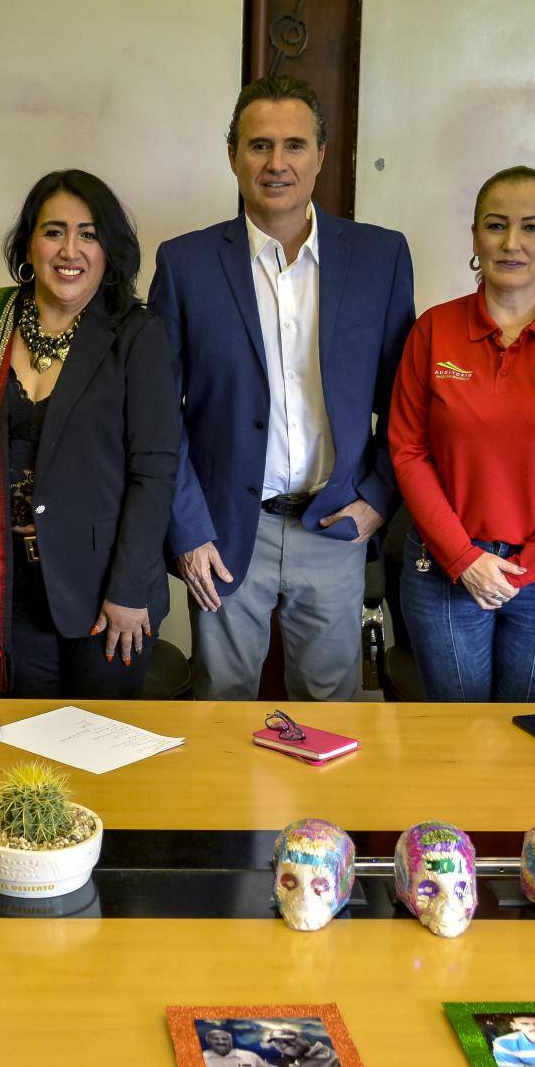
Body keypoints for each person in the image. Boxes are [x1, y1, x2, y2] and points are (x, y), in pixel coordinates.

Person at [151, 74, 415, 701]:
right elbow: (162, 415)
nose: (277, 163)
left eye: (294, 145)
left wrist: (377, 501)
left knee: (333, 714)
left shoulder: (380, 258)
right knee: (219, 702)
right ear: (233, 156)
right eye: (259, 145)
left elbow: (406, 404)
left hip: (335, 523)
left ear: (321, 155)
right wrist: (188, 529)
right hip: (224, 530)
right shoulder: (184, 264)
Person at [388, 167, 535, 700]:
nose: (512, 243)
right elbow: (407, 449)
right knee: (455, 734)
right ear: (475, 236)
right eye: (496, 226)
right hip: (445, 567)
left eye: (532, 227)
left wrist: (530, 564)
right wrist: (463, 558)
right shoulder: (434, 329)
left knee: (532, 740)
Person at [0, 170, 178, 699]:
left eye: (89, 234)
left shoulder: (138, 336)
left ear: (109, 250)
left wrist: (127, 590)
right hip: (3, 590)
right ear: (29, 243)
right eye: (54, 231)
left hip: (104, 597)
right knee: (20, 752)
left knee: (99, 762)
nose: (70, 249)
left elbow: (155, 474)